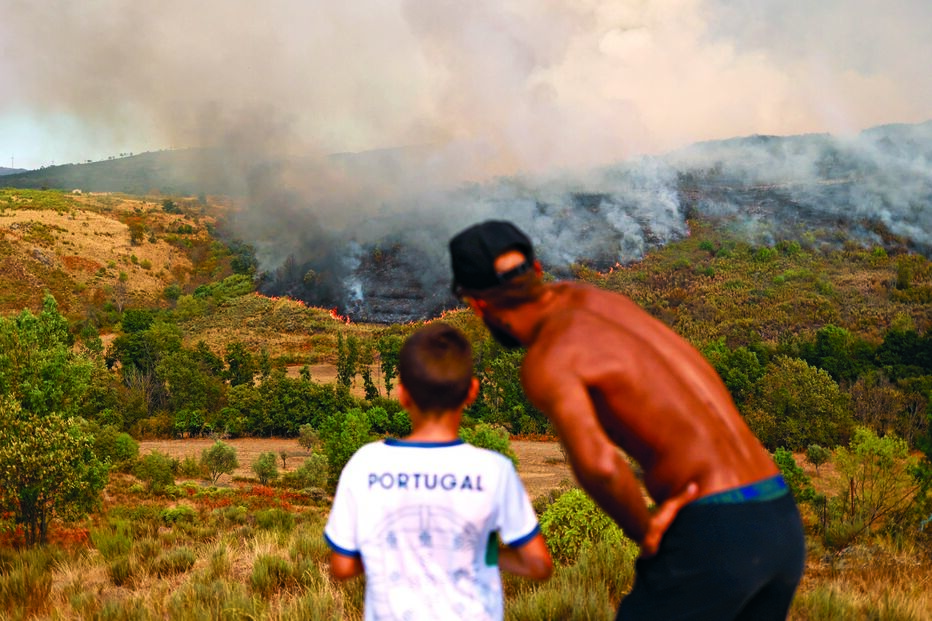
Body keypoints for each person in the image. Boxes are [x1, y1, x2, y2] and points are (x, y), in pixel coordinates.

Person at [448, 220, 806, 620]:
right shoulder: (602, 302)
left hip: (718, 530)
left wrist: (646, 532)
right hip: (779, 513)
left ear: (478, 304)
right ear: (536, 269)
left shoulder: (549, 355)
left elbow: (600, 466)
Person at [324, 321, 553, 621]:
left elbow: (341, 567)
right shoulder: (493, 470)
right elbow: (538, 564)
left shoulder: (365, 464)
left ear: (403, 394)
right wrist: (484, 551)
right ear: (472, 391)